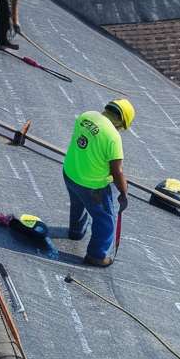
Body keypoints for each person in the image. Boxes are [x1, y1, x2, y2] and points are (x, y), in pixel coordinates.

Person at [61, 99, 135, 267]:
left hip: (70, 173)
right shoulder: (113, 137)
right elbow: (117, 172)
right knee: (105, 220)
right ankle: (96, 255)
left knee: (78, 203)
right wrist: (123, 192)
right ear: (122, 123)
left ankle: (76, 232)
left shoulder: (86, 116)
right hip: (92, 186)